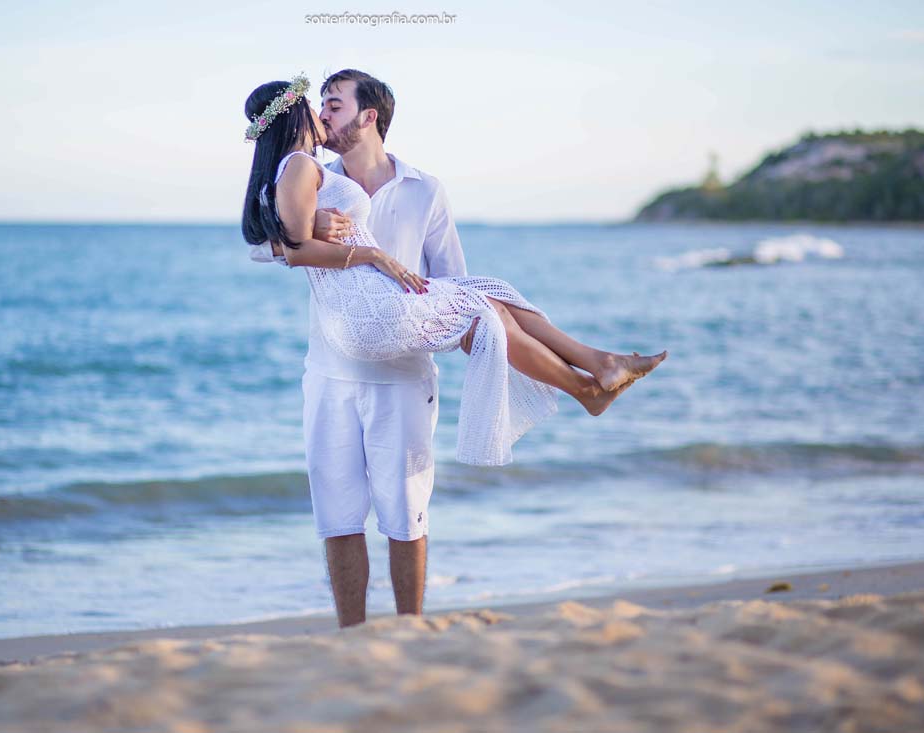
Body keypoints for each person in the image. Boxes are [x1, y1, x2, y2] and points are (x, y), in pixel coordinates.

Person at [242, 72, 667, 626]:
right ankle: (352, 635)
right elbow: (263, 240)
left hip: (404, 372)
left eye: (334, 105)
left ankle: (411, 629)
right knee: (338, 517)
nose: (323, 114)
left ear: (370, 116)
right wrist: (303, 232)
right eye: (319, 104)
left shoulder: (425, 189)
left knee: (407, 516)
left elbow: (450, 276)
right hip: (330, 371)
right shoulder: (315, 173)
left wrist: (466, 336)